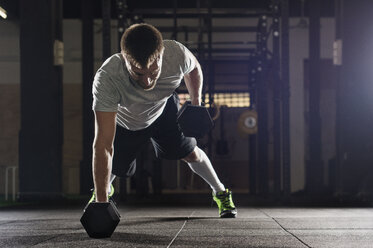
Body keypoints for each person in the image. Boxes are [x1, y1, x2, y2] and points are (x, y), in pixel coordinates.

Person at [90, 23, 236, 218]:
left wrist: (196, 103)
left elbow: (194, 69)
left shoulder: (176, 54)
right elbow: (103, 145)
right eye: (138, 74)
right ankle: (101, 196)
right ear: (125, 59)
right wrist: (101, 206)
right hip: (127, 122)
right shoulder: (107, 77)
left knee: (191, 153)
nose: (147, 82)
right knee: (113, 164)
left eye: (153, 72)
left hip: (163, 111)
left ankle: (220, 192)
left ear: (161, 55)